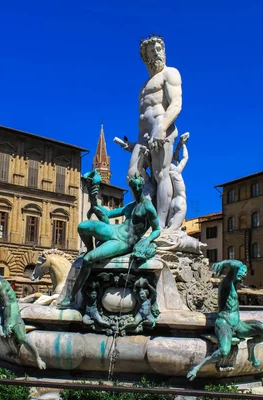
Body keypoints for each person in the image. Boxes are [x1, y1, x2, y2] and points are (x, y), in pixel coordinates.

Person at [59, 173, 161, 307]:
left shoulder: (147, 206)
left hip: (124, 241)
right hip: (114, 230)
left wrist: (147, 241)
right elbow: (107, 214)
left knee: (88, 259)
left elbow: (157, 229)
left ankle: (71, 296)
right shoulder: (130, 206)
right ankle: (90, 248)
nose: (135, 190)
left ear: (141, 187)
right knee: (83, 226)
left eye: (137, 187)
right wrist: (93, 199)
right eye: (132, 187)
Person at [127, 35, 183, 226]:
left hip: (162, 129)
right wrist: (132, 144)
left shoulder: (171, 73)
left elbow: (176, 104)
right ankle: (145, 218)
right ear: (145, 56)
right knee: (132, 175)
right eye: (152, 51)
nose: (157, 53)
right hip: (143, 137)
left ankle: (159, 225)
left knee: (161, 174)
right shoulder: (144, 86)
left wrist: (161, 128)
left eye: (159, 49)